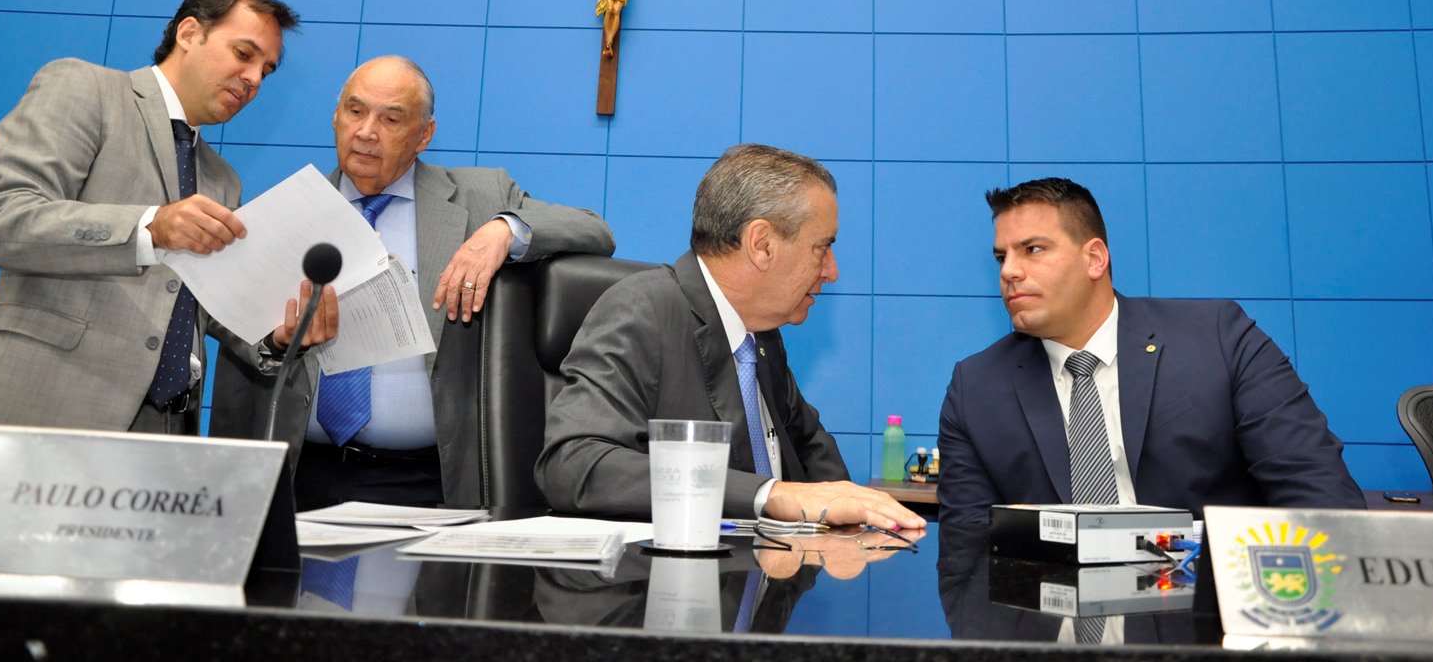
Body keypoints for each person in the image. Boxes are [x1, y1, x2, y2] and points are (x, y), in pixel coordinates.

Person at [210, 55, 615, 509]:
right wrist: (281, 340)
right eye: (355, 111)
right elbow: (228, 321)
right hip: (301, 475)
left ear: (424, 135)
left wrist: (504, 230)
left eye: (391, 119)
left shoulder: (478, 196)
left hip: (430, 481)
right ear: (336, 118)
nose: (366, 131)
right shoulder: (288, 211)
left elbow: (594, 229)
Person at [0, 0, 315, 435]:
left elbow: (203, 301)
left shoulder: (222, 179)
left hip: (170, 425)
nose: (254, 79)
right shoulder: (85, 89)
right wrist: (149, 228)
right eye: (243, 54)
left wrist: (277, 335)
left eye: (266, 70)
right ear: (189, 33)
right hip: (51, 405)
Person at [537, 143, 925, 531]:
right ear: (761, 244)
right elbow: (573, 463)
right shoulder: (641, 310)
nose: (832, 271)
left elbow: (808, 446)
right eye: (822, 247)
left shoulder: (762, 335)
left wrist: (859, 518)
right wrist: (768, 496)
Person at [938, 177, 1364, 525]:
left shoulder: (1218, 338)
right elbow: (966, 547)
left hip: (1205, 593)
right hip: (1051, 599)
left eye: (1033, 249)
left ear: (1095, 258)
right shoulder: (975, 388)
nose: (1010, 271)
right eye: (1001, 257)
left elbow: (1315, 487)